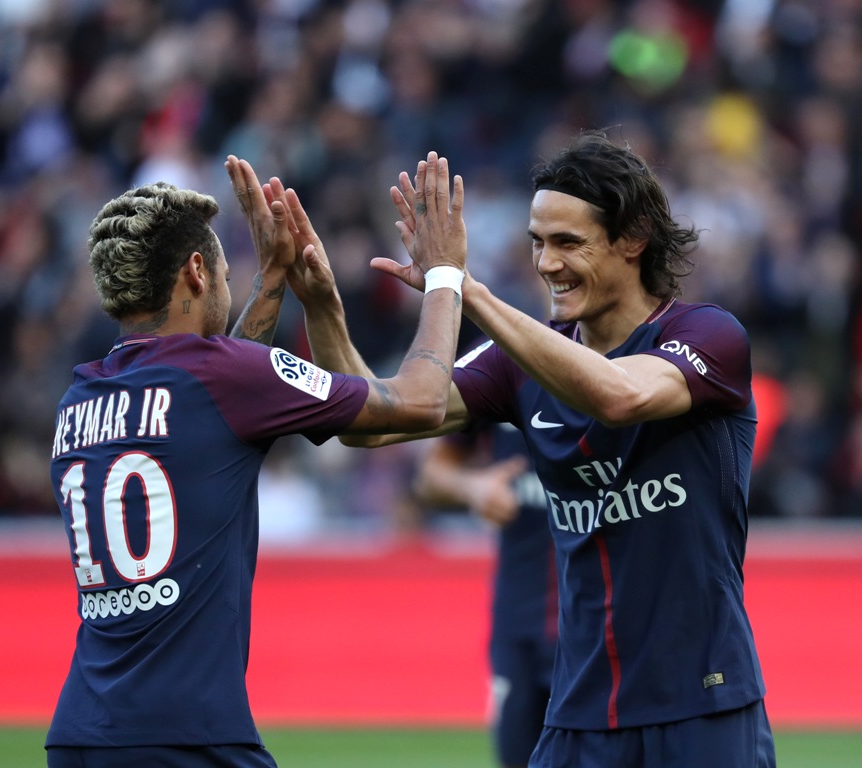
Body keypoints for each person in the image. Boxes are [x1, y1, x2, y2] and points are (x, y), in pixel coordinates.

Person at [272, 129, 777, 768]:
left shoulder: (708, 336)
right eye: (537, 242)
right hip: (578, 713)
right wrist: (322, 307)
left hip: (703, 703)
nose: (546, 263)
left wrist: (461, 286)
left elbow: (619, 395)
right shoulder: (517, 363)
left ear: (634, 238)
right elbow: (372, 422)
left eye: (568, 242)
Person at [45, 150, 467, 767]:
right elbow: (422, 402)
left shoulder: (79, 399)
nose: (225, 283)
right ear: (196, 271)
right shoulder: (223, 378)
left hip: (80, 734)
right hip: (188, 736)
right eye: (222, 272)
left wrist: (271, 279)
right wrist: (446, 275)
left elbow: (215, 409)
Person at [415, 425, 558, 768]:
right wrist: (473, 486)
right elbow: (430, 476)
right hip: (519, 618)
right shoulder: (502, 393)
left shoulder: (622, 395)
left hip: (601, 624)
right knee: (517, 755)